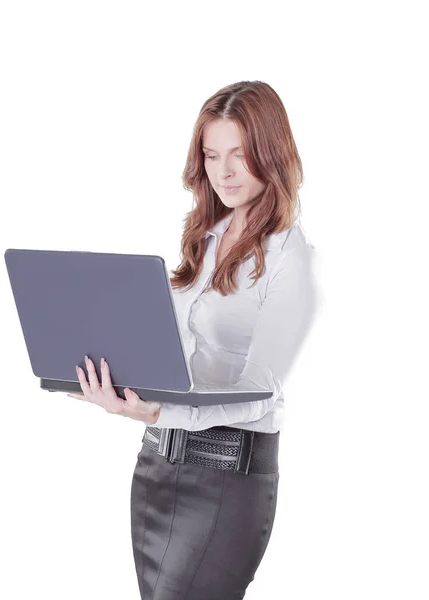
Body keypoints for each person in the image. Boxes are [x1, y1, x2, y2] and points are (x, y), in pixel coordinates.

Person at [68, 80, 323, 599]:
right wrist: (121, 383)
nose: (223, 171)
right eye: (211, 155)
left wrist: (159, 412)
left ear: (272, 154)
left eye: (240, 155)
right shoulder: (205, 238)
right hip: (158, 465)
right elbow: (179, 359)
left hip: (227, 478)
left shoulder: (291, 260)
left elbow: (257, 396)